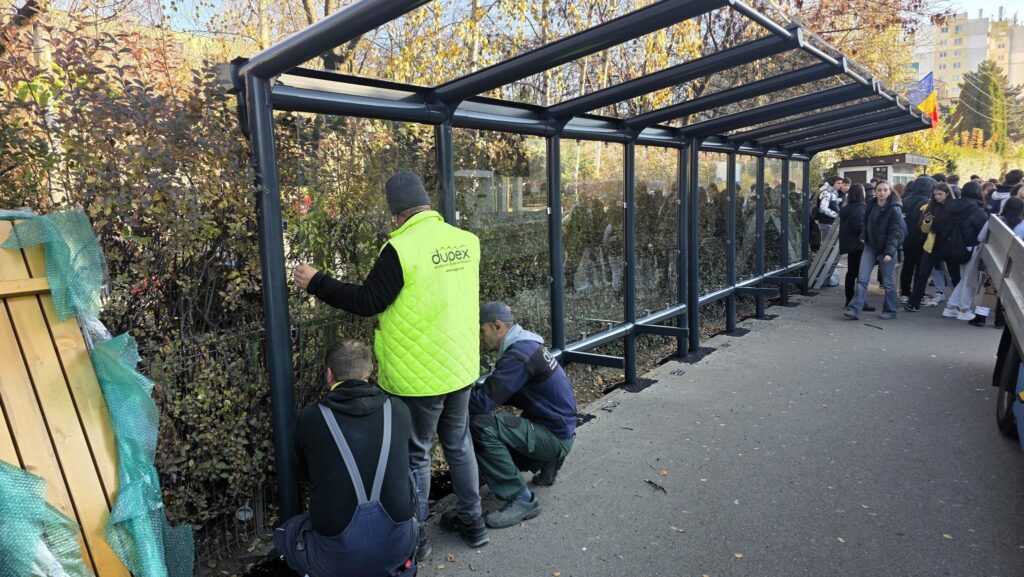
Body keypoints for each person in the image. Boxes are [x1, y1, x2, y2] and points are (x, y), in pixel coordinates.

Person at [293, 171, 488, 556]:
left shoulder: (400, 249)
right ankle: (475, 522)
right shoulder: (466, 241)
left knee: (417, 454)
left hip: (420, 377)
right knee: (458, 443)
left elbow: (368, 301)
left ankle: (417, 537)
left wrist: (317, 281)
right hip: (461, 367)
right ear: (425, 204)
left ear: (397, 214)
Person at [274, 340, 418, 577]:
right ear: (370, 369)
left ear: (329, 374)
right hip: (398, 547)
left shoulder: (311, 419)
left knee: (287, 533)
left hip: (336, 556)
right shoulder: (398, 410)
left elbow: (303, 472)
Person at [461, 302, 578, 529]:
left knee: (480, 426)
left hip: (553, 435)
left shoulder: (518, 356)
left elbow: (482, 403)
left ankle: (521, 499)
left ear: (498, 326)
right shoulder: (527, 346)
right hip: (561, 428)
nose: (481, 338)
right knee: (496, 436)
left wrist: (449, 402)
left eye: (482, 331)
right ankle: (548, 461)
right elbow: (500, 390)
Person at [845, 180, 903, 320]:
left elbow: (895, 232)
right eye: (879, 190)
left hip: (887, 249)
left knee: (888, 281)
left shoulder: (895, 208)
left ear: (890, 191)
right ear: (875, 191)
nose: (882, 193)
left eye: (885, 190)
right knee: (862, 279)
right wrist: (863, 236)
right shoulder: (871, 204)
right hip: (870, 246)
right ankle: (854, 309)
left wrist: (889, 252)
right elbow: (865, 222)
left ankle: (891, 310)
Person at [905, 183, 963, 312]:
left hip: (950, 245)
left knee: (954, 276)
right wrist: (927, 221)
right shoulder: (930, 207)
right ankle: (914, 302)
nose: (937, 197)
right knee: (922, 274)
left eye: (940, 194)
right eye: (935, 194)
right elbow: (924, 229)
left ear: (947, 193)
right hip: (932, 245)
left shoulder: (955, 207)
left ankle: (960, 303)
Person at [968, 196, 1024, 327]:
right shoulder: (1022, 225)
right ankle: (1000, 320)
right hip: (1012, 262)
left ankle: (980, 317)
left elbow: (980, 237)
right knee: (1006, 291)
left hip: (993, 256)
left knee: (987, 287)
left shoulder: (995, 220)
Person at [940, 181, 990, 320]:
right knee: (970, 279)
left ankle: (951, 307)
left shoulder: (951, 206)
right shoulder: (977, 210)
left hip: (952, 246)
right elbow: (983, 231)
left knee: (965, 278)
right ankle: (963, 309)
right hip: (971, 246)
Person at [899, 175, 936, 303]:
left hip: (906, 237)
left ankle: (905, 293)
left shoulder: (904, 200)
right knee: (920, 268)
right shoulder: (927, 202)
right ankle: (917, 294)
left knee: (907, 265)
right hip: (922, 239)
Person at [838, 184, 874, 311]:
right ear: (861, 194)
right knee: (860, 274)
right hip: (859, 244)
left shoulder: (847, 208)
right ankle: (858, 301)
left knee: (852, 272)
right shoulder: (859, 208)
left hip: (850, 244)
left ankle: (850, 299)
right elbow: (859, 228)